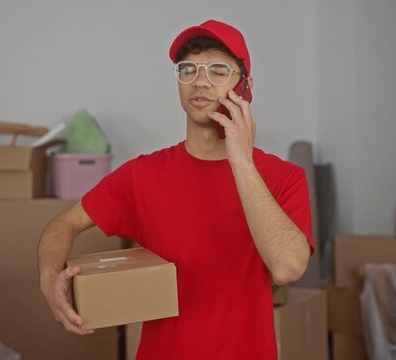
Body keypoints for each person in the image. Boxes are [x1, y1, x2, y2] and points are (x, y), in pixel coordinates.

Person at [38, 19, 314, 360]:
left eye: (217, 69)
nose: (200, 80)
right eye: (188, 69)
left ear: (245, 86)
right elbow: (63, 223)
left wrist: (241, 161)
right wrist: (49, 276)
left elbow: (288, 267)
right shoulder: (142, 175)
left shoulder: (284, 177)